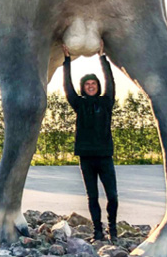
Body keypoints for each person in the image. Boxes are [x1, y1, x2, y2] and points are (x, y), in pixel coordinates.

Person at [62, 43, 118, 241]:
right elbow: (67, 86)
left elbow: (110, 81)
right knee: (92, 197)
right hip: (86, 156)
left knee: (112, 196)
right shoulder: (79, 104)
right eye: (87, 84)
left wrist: (103, 59)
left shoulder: (107, 101)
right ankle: (97, 230)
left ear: (98, 86)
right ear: (83, 88)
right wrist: (67, 61)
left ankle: (112, 228)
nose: (91, 86)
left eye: (93, 83)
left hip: (104, 155)